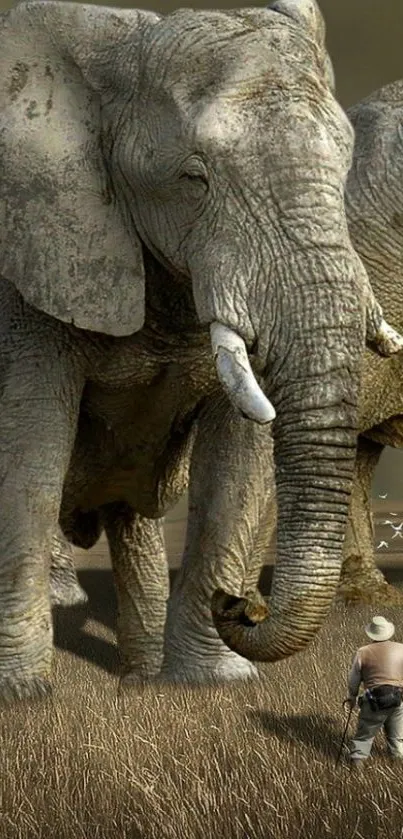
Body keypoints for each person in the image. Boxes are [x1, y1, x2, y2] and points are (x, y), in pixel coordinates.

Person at [345, 616, 403, 771]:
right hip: (397, 699)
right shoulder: (401, 648)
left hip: (373, 701)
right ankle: (397, 772)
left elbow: (354, 678)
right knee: (397, 741)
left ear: (371, 633)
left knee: (364, 738)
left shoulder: (363, 652)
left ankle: (356, 773)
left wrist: (352, 697)